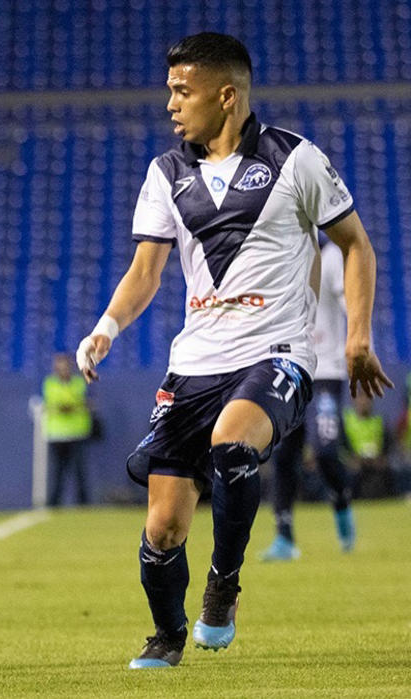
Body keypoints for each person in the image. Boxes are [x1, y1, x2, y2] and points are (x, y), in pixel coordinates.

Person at [75, 33, 392, 669]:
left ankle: (223, 587)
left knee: (234, 444)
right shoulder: (165, 173)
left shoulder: (296, 160)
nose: (170, 102)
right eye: (170, 90)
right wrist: (106, 326)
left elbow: (356, 245)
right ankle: (166, 637)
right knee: (162, 529)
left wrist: (358, 336)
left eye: (182, 90)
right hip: (194, 363)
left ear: (227, 96)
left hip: (277, 354)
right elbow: (145, 272)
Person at [261, 236, 356, 560]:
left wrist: (359, 334)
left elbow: (349, 302)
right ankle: (284, 537)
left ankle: (342, 503)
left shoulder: (331, 256)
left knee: (325, 450)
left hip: (327, 370)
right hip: (290, 369)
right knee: (284, 454)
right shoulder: (282, 254)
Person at [43, 353, 93, 506]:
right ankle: (54, 503)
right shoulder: (50, 383)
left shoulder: (78, 382)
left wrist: (71, 405)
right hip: (57, 435)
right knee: (57, 472)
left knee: (79, 472)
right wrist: (73, 405)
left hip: (77, 433)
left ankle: (83, 503)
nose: (63, 369)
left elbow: (84, 403)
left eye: (65, 366)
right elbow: (58, 404)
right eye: (60, 366)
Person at [343, 393, 393, 498]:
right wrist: (351, 459)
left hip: (375, 460)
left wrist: (382, 458)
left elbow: (388, 444)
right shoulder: (346, 420)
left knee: (390, 470)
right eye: (361, 398)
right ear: (354, 401)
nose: (364, 402)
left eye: (367, 399)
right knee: (351, 472)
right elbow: (340, 446)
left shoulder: (379, 420)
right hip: (354, 461)